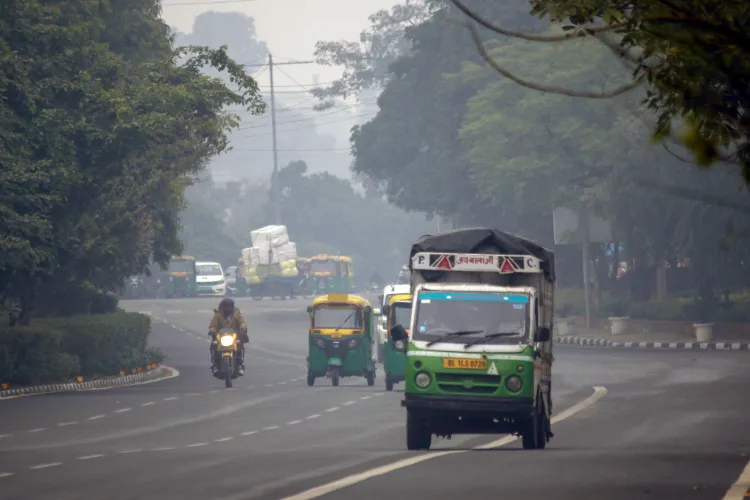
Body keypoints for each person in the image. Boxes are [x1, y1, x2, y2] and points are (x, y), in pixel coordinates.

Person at [208, 298, 248, 375]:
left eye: (229, 307)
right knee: (214, 345)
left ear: (232, 307)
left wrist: (242, 328)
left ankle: (239, 364)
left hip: (234, 336)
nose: (227, 309)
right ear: (222, 307)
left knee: (240, 345)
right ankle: (215, 364)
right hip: (220, 336)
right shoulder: (218, 314)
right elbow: (213, 325)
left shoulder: (236, 313)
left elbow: (242, 322)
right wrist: (212, 331)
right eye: (226, 307)